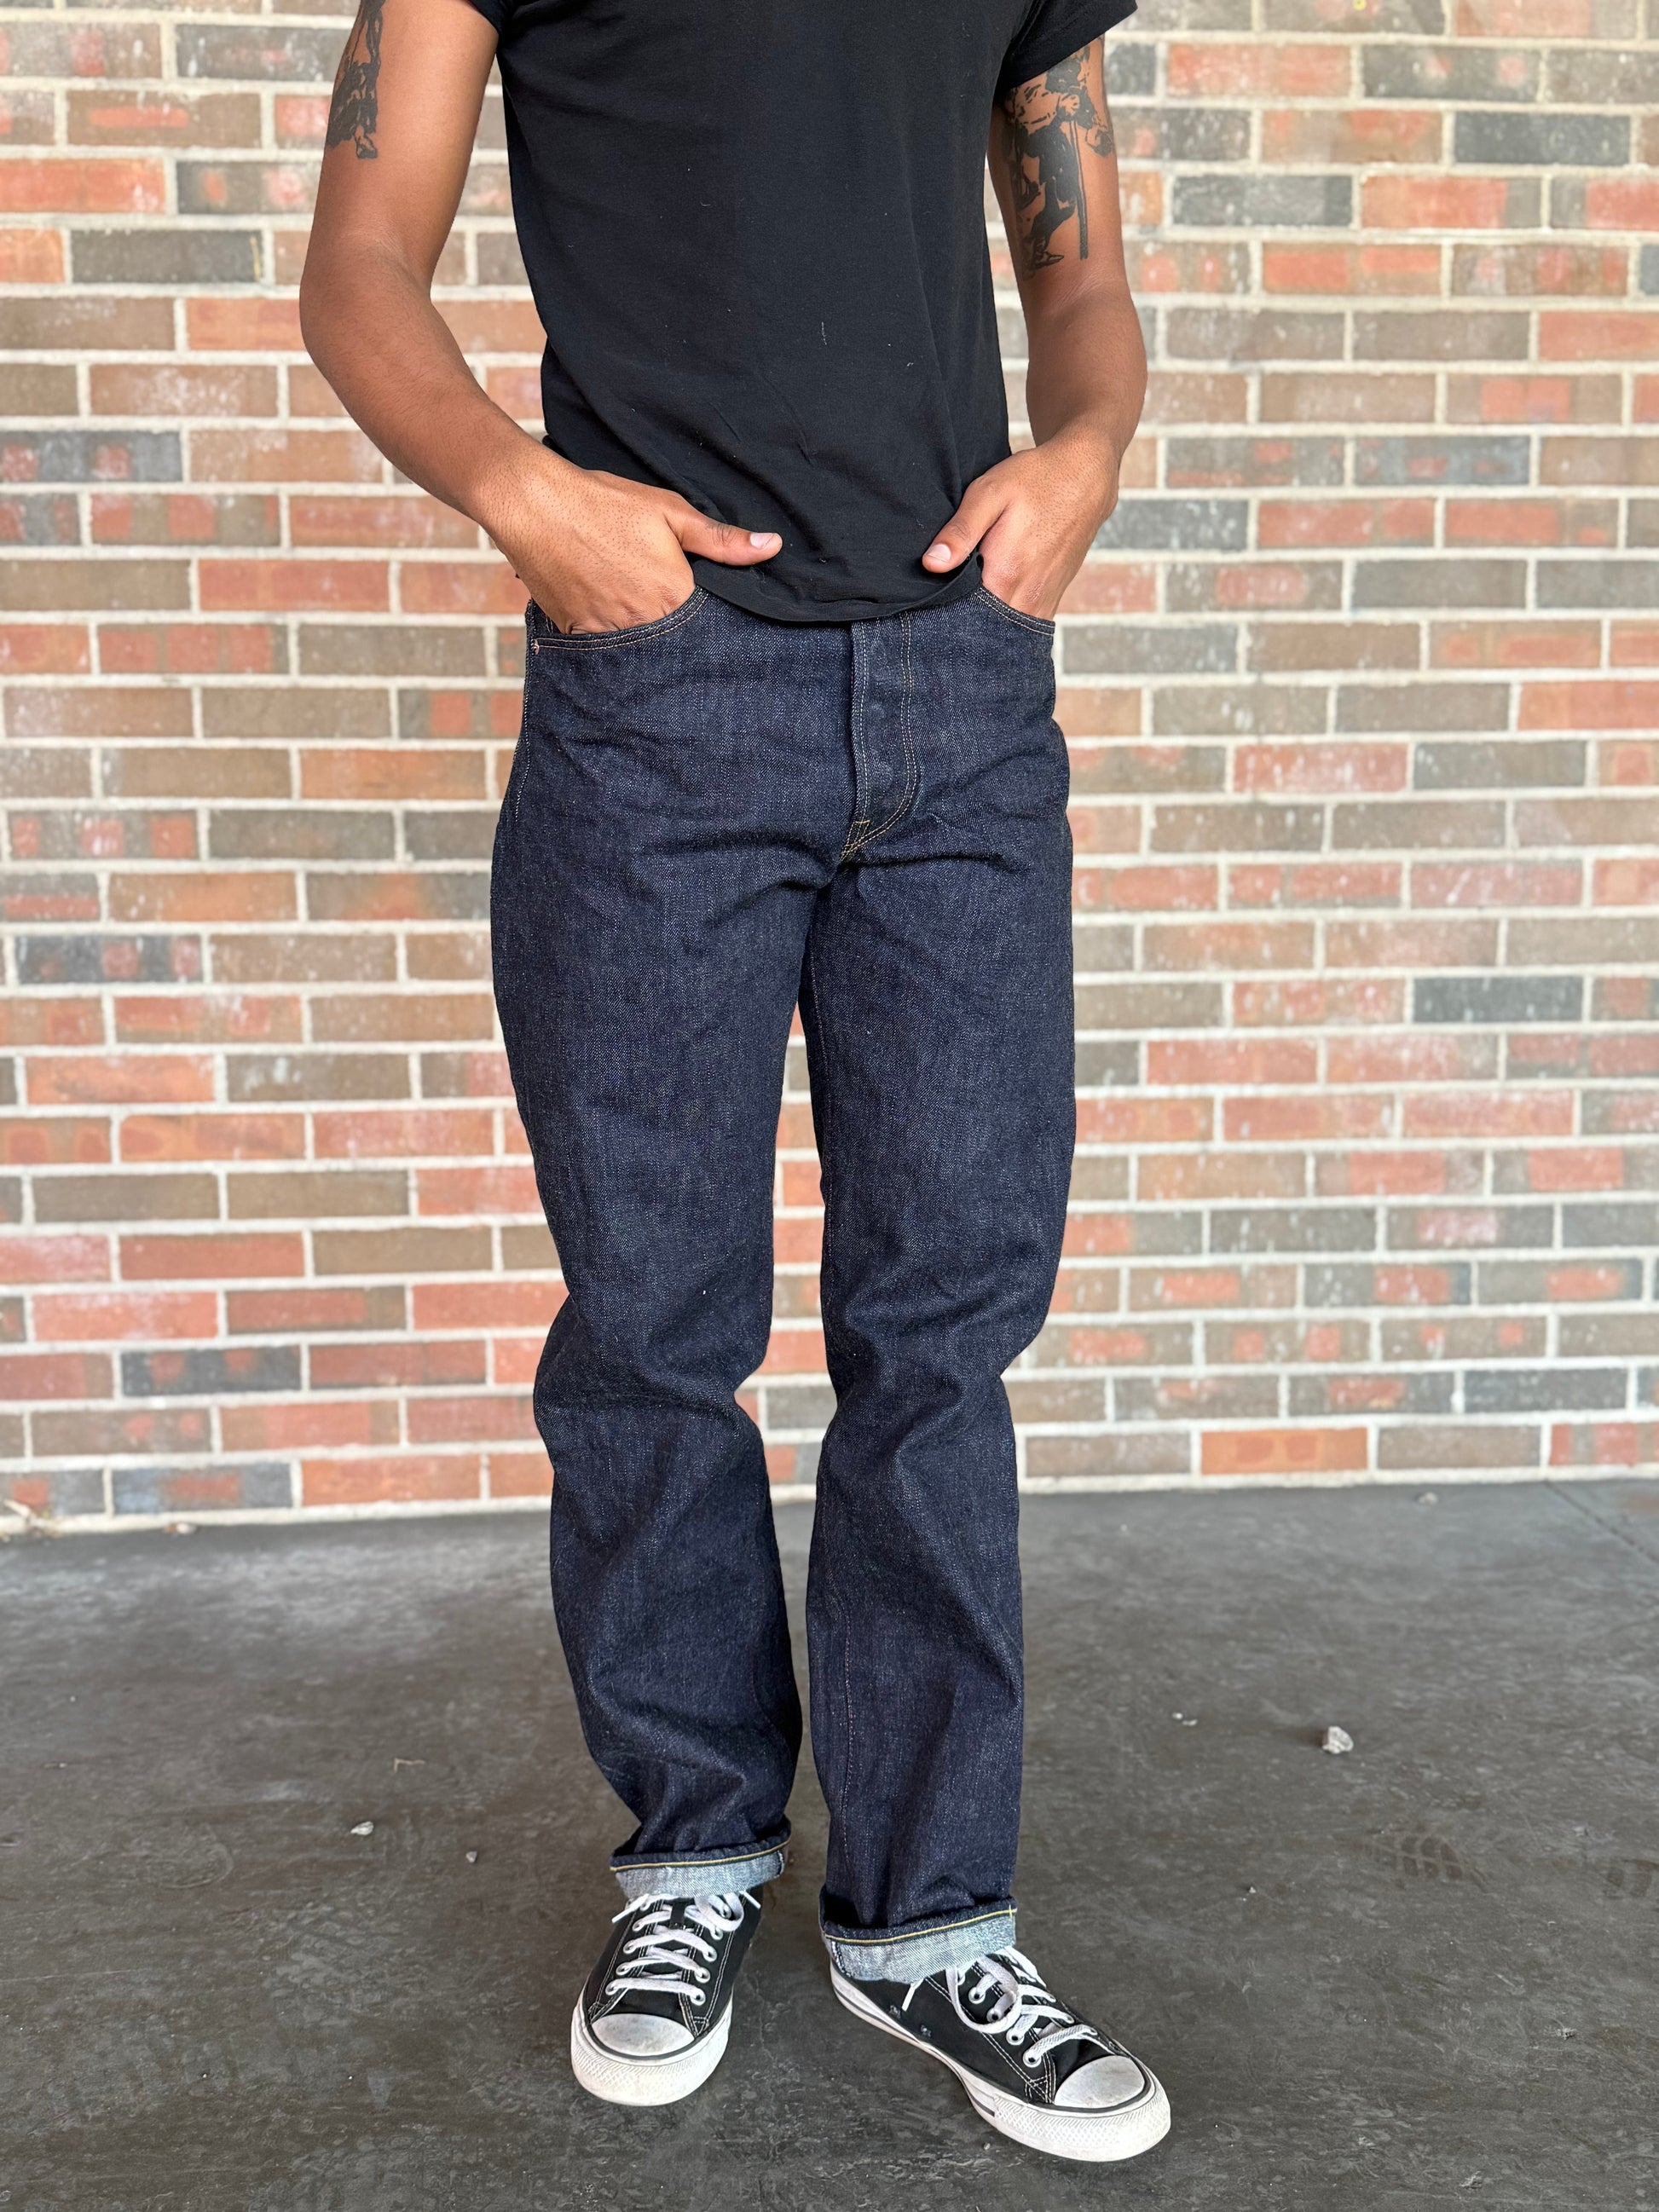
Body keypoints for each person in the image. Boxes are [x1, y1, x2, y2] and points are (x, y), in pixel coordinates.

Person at [301, 0, 1162, 2164]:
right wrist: (532, 503)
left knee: (942, 1331)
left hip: (961, 690)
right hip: (657, 699)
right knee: (651, 1326)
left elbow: (1077, 259)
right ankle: (690, 1852)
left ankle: (931, 1916)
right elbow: (359, 269)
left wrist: (1083, 452)